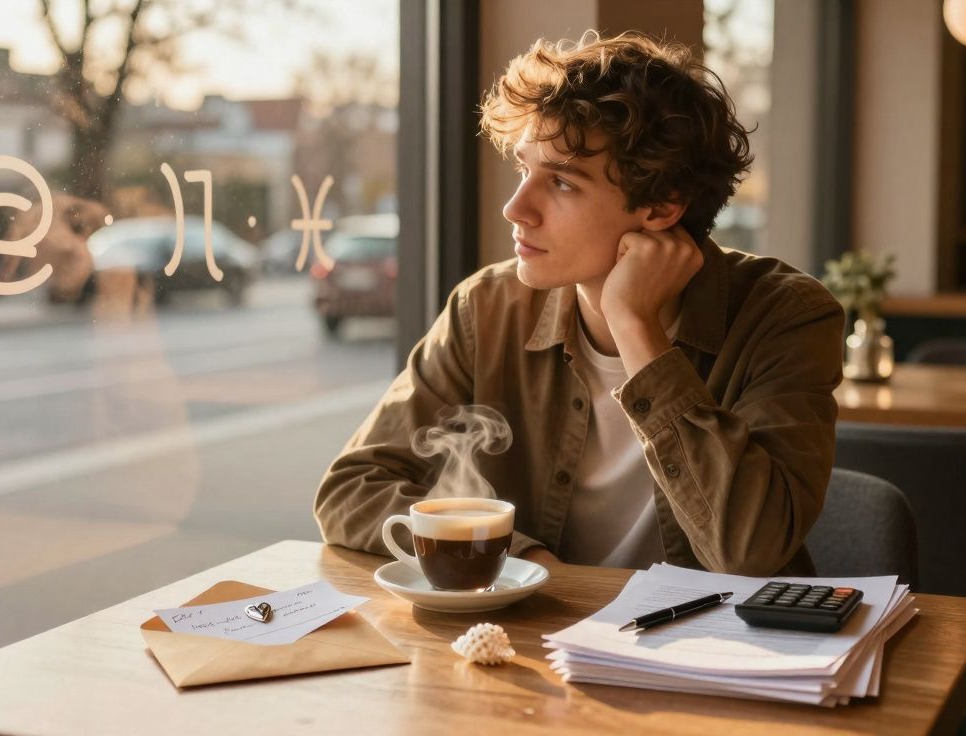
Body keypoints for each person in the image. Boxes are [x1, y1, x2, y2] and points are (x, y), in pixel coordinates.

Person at [313, 31, 844, 576]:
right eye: (524, 169)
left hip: (713, 630)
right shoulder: (487, 309)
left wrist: (635, 326)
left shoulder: (786, 315)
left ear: (662, 206)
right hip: (543, 626)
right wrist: (521, 556)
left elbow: (750, 553)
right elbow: (350, 491)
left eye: (562, 182)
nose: (515, 208)